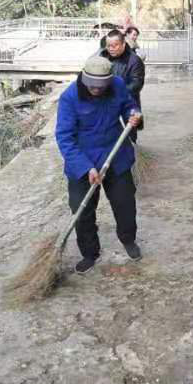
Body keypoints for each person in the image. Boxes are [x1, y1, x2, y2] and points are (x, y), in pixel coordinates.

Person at [55, 56, 143, 274]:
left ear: (109, 82)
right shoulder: (69, 98)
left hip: (116, 154)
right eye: (92, 86)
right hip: (83, 159)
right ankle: (89, 253)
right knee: (81, 209)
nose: (96, 90)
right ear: (84, 79)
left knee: (124, 203)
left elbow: (129, 106)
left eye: (101, 87)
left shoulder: (118, 86)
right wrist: (86, 168)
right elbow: (64, 137)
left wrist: (133, 115)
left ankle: (128, 239)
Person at [100, 29, 145, 140]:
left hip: (129, 100)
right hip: (107, 100)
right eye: (109, 45)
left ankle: (132, 147)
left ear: (123, 44)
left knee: (130, 131)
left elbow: (137, 84)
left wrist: (117, 94)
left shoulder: (135, 61)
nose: (111, 48)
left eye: (115, 45)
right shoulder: (103, 57)